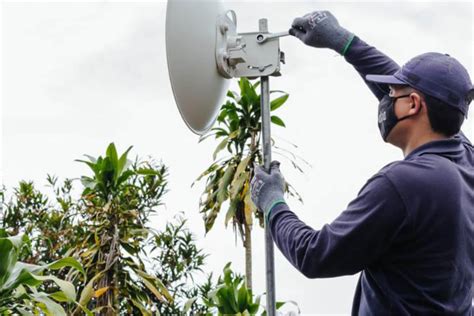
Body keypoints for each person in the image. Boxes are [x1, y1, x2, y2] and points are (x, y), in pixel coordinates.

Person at [250, 10, 474, 315]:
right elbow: (430, 99)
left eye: (393, 92)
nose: (386, 100)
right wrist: (342, 42)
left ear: (413, 105)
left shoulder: (404, 184)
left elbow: (316, 256)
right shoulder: (465, 161)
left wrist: (273, 202)